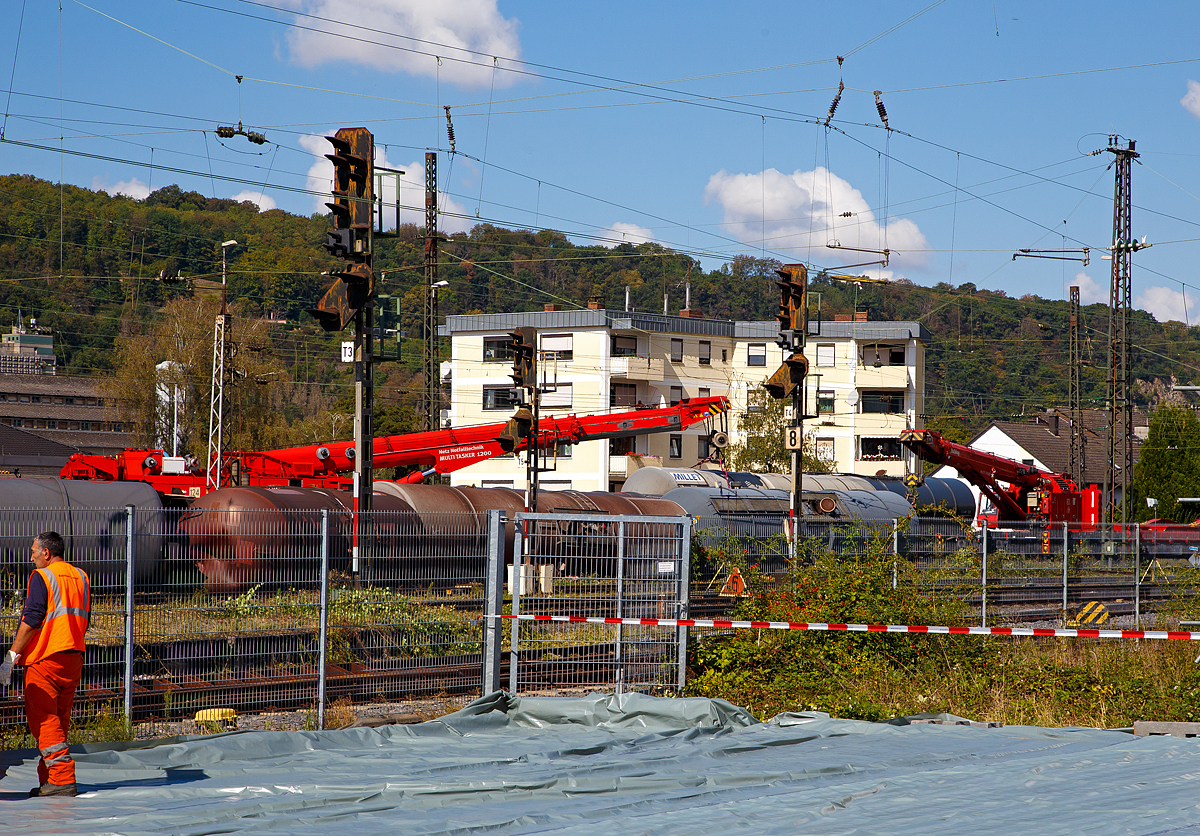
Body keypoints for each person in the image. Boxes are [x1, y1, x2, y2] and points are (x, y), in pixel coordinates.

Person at [0, 531, 90, 798]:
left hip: (46, 658)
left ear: (46, 553)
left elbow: (33, 617)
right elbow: (84, 618)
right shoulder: (81, 576)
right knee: (59, 721)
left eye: (33, 552)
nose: (32, 557)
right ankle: (50, 780)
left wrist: (12, 656)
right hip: (73, 658)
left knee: (45, 721)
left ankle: (61, 780)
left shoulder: (43, 576)